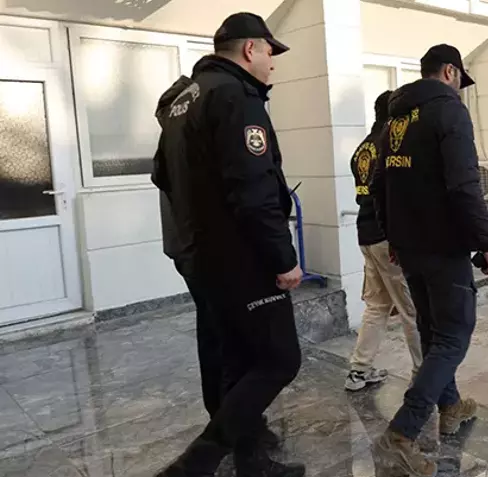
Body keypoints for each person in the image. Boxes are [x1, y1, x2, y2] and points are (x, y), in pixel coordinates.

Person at [152, 12, 304, 477]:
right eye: (270, 53)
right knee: (279, 359)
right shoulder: (236, 96)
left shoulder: (183, 99)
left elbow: (161, 175)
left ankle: (251, 459)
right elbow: (254, 190)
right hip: (240, 256)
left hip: (198, 253)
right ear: (250, 48)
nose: (272, 63)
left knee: (232, 356)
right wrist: (283, 258)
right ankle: (197, 461)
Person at [370, 44, 488, 476]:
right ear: (450, 72)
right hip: (443, 247)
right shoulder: (449, 111)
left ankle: (450, 406)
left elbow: (379, 183)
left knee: (432, 332)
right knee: (453, 335)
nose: (461, 89)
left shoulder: (395, 118)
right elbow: (465, 185)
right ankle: (401, 433)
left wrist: (393, 234)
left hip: (409, 246)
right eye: (460, 80)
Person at [151, 69, 280, 453]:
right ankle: (237, 425)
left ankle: (226, 416)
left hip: (186, 250)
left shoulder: (173, 137)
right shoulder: (193, 135)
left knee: (214, 336)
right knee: (236, 343)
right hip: (207, 253)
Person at [345, 90, 423, 392]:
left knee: (377, 305)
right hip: (387, 240)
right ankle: (423, 377)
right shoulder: (392, 144)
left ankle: (359, 370)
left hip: (366, 235)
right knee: (413, 310)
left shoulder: (363, 147)